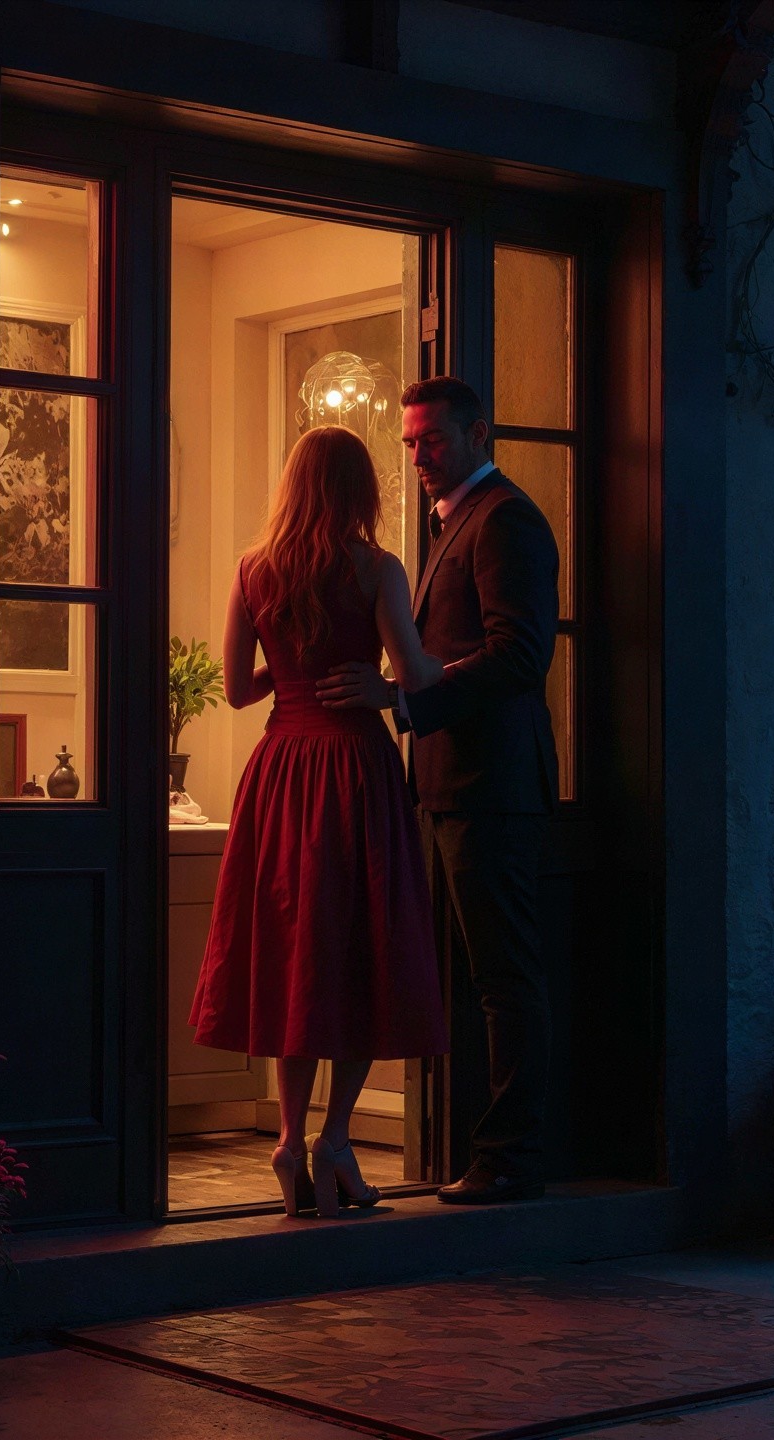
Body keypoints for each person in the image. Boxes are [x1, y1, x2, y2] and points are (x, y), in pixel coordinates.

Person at [189, 426, 449, 1220]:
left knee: (297, 953)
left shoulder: (252, 569)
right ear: (361, 489)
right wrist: (415, 669)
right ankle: (339, 1138)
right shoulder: (378, 568)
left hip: (282, 769)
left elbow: (235, 690)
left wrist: (289, 669)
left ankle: (287, 1139)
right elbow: (413, 674)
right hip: (354, 768)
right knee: (364, 949)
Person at [318, 376, 559, 1206]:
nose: (419, 456)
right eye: (411, 442)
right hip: (451, 782)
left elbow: (522, 657)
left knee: (504, 975)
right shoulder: (457, 522)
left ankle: (511, 1160)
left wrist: (404, 695)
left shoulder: (507, 521)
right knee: (480, 977)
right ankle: (489, 1152)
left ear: (477, 433)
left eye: (434, 440)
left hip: (491, 784)